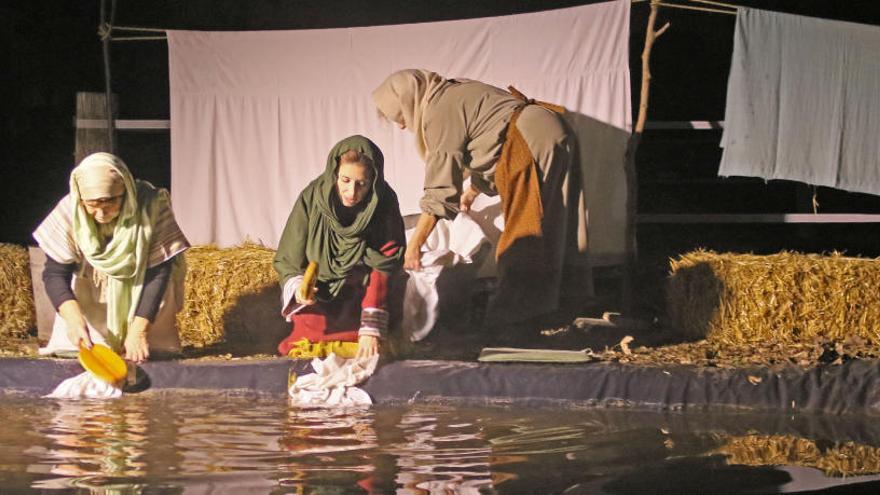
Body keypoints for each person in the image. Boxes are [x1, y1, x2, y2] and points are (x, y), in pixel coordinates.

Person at [371, 69, 591, 327]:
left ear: (410, 100)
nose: (401, 124)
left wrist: (415, 245)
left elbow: (439, 189)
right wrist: (473, 191)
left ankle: (513, 322)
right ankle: (563, 307)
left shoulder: (438, 112)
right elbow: (489, 136)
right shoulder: (450, 91)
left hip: (531, 139)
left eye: (400, 115)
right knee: (556, 227)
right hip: (549, 129)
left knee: (525, 233)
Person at [33, 152, 190, 363]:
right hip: (92, 290)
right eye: (91, 205)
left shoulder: (151, 205)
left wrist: (139, 332)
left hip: (143, 286)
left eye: (108, 203)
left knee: (152, 353)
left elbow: (158, 272)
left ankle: (147, 337)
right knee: (85, 351)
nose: (100, 213)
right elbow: (55, 273)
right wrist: (73, 320)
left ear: (125, 192)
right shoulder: (70, 209)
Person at [274, 135, 405, 360]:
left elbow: (385, 262)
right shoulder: (312, 197)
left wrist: (371, 325)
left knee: (370, 350)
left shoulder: (383, 203)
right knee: (307, 347)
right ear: (334, 173)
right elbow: (288, 256)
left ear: (373, 181)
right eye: (345, 180)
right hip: (319, 298)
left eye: (361, 184)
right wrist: (299, 287)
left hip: (364, 297)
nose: (352, 192)